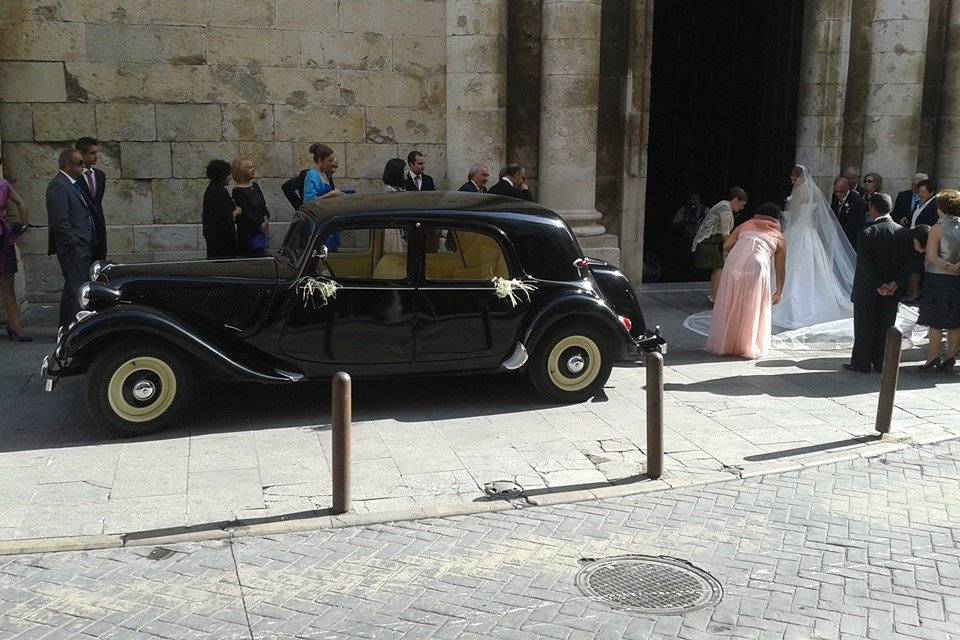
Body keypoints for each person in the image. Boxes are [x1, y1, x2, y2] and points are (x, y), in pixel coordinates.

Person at [771, 165, 856, 331]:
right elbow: (816, 219)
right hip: (810, 234)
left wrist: (785, 215)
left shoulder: (799, 192)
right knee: (812, 268)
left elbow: (794, 216)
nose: (793, 181)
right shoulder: (815, 192)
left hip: (796, 233)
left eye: (794, 178)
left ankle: (788, 299)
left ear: (799, 177)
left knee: (791, 266)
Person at [706, 202, 786, 359]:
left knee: (730, 301)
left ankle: (726, 344)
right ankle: (747, 345)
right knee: (752, 305)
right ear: (777, 219)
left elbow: (727, 246)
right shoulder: (779, 237)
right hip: (757, 265)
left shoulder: (745, 225)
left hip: (733, 262)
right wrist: (779, 292)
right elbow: (781, 269)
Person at [845, 193, 914, 373]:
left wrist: (878, 285)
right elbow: (909, 263)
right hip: (892, 291)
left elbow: (865, 265)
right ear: (889, 208)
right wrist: (894, 284)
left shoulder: (867, 232)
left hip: (868, 290)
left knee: (864, 327)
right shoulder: (905, 233)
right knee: (885, 326)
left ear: (873, 209)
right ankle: (880, 361)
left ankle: (861, 363)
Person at [47, 148, 95, 329]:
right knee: (74, 289)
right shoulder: (59, 185)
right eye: (80, 163)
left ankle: (69, 326)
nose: (83, 167)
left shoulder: (71, 184)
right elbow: (60, 221)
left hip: (80, 245)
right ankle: (69, 328)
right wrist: (73, 244)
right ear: (68, 165)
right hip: (73, 248)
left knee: (75, 288)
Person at [917, 189, 960, 372]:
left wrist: (949, 267)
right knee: (955, 319)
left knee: (935, 320)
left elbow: (932, 256)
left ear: (941, 207)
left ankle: (932, 357)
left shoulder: (937, 228)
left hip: (938, 279)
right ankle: (950, 356)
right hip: (957, 280)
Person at [691, 187, 748, 303]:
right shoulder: (725, 210)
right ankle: (714, 298)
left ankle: (714, 296)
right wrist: (736, 249)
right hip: (708, 242)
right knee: (719, 267)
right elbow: (726, 234)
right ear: (735, 200)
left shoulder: (724, 205)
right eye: (741, 204)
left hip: (712, 243)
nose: (741, 208)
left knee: (719, 267)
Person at [0, 156, 31, 341]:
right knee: (6, 282)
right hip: (4, 236)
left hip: (4, 237)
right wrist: (21, 226)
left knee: (7, 281)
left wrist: (21, 226)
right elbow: (22, 205)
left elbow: (22, 205)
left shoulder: (4, 185)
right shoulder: (3, 185)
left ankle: (15, 326)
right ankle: (14, 326)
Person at [230, 156, 270, 257]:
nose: (252, 170)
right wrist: (260, 226)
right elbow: (246, 213)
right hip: (248, 234)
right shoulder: (238, 191)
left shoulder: (255, 186)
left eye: (252, 167)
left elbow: (263, 206)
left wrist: (265, 220)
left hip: (261, 230)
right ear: (241, 171)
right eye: (248, 168)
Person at [75, 137, 107, 261]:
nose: (96, 156)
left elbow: (97, 202)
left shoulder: (100, 176)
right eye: (92, 153)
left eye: (97, 153)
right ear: (82, 154)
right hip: (82, 232)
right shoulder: (74, 177)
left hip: (99, 231)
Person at [202, 159, 240, 259]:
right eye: (228, 174)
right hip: (221, 240)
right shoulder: (218, 192)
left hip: (217, 238)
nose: (230, 177)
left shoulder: (213, 189)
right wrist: (236, 211)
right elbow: (222, 216)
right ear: (222, 176)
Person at [830, 177, 867, 246]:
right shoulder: (834, 197)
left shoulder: (856, 201)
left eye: (841, 191)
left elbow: (856, 224)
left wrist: (842, 237)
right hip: (837, 235)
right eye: (836, 191)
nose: (838, 194)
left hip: (851, 238)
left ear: (847, 188)